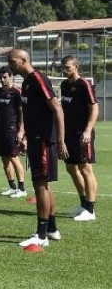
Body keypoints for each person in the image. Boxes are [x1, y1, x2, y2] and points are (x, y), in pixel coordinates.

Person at [7, 49, 67, 248]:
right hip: (34, 139)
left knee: (40, 184)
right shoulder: (25, 83)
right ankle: (52, 229)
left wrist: (60, 141)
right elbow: (28, 111)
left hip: (43, 140)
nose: (10, 65)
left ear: (24, 60)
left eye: (12, 61)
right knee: (44, 185)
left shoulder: (38, 78)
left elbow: (57, 108)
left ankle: (41, 235)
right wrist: (24, 134)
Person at [60, 55, 98, 222]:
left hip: (82, 134)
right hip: (68, 134)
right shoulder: (64, 85)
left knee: (85, 169)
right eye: (63, 67)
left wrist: (88, 131)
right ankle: (83, 204)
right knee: (70, 168)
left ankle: (90, 209)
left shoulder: (85, 85)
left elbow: (94, 108)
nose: (65, 70)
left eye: (68, 67)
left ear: (76, 67)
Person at [0, 67, 27, 198]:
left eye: (5, 77)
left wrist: (21, 130)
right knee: (4, 160)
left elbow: (22, 112)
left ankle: (22, 188)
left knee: (14, 158)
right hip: (0, 130)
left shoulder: (17, 92)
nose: (2, 79)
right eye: (0, 77)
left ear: (11, 76)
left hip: (12, 130)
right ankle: (12, 186)